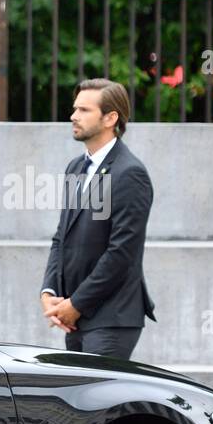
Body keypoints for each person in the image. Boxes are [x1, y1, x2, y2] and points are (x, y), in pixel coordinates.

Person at [40, 78, 156, 359]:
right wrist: (49, 291)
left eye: (83, 110)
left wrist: (76, 304)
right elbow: (62, 237)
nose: (73, 116)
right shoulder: (76, 167)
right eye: (74, 109)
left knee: (99, 402)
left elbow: (122, 254)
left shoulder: (130, 174)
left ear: (110, 118)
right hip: (76, 318)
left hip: (111, 318)